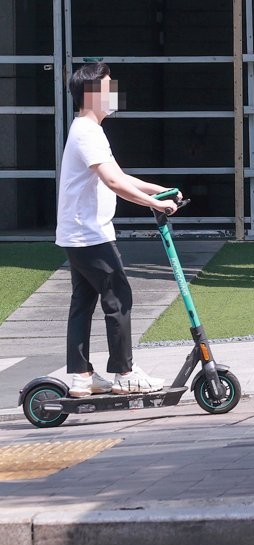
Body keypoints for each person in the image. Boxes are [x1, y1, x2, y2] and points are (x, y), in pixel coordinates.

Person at [56, 62, 181, 398]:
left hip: (81, 232)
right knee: (119, 299)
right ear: (91, 94)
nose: (114, 94)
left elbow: (120, 176)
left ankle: (82, 376)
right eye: (109, 87)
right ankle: (125, 372)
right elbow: (112, 182)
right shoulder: (87, 131)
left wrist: (158, 191)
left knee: (83, 301)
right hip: (89, 234)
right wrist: (154, 205)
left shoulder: (87, 130)